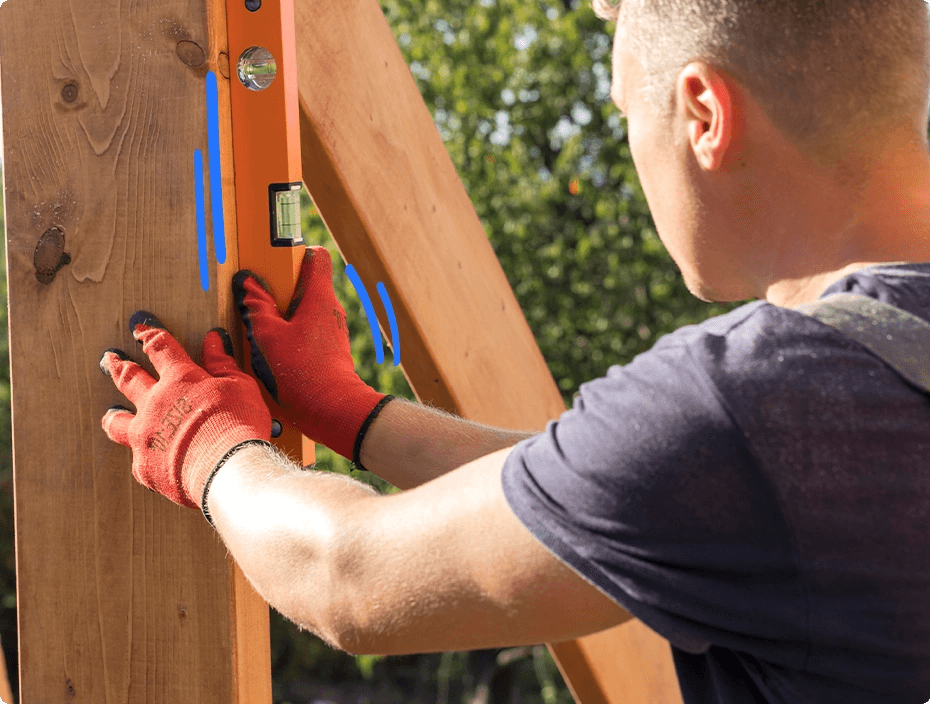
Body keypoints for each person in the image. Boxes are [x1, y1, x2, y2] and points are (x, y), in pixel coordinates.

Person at [99, 0, 930, 701]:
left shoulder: (751, 412)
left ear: (704, 116)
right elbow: (627, 490)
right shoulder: (782, 430)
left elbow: (343, 577)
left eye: (623, 111)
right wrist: (355, 415)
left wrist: (204, 445)